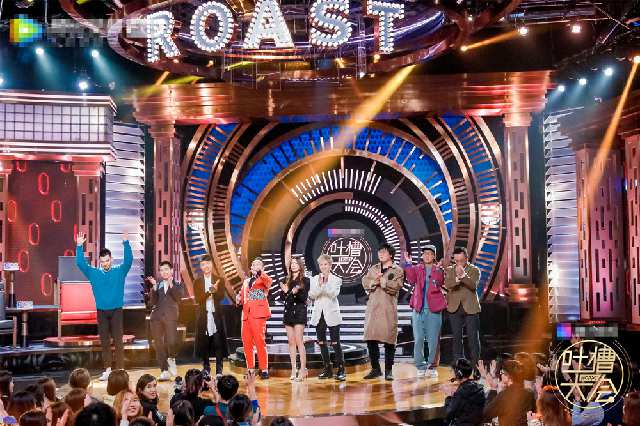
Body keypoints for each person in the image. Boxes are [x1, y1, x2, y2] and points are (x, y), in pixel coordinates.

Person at [76, 231, 133, 381]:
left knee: (118, 341)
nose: (105, 263)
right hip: (101, 311)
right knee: (105, 342)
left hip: (116, 310)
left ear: (111, 259)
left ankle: (120, 369)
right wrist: (79, 246)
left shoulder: (119, 271)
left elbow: (128, 261)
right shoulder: (93, 273)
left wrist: (126, 243)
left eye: (107, 260)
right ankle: (107, 369)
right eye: (102, 261)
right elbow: (81, 264)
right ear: (99, 261)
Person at [362, 243, 404, 381]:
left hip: (388, 309)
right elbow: (365, 282)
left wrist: (383, 282)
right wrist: (374, 281)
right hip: (373, 308)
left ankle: (388, 370)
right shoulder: (373, 268)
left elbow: (396, 286)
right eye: (379, 252)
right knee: (371, 338)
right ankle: (375, 369)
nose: (381, 254)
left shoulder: (397, 270)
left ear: (391, 255)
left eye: (384, 252)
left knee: (389, 341)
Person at [403, 245, 446, 378]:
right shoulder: (417, 268)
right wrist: (408, 264)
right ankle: (420, 366)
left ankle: (432, 366)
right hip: (418, 308)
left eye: (429, 253)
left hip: (434, 309)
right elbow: (411, 280)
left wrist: (438, 269)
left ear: (434, 256)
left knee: (433, 341)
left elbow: (439, 282)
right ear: (422, 256)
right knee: (419, 339)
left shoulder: (438, 269)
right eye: (424, 253)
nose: (427, 256)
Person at [444, 246, 481, 379]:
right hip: (454, 308)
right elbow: (447, 284)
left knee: (473, 339)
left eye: (461, 260)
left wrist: (463, 276)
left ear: (466, 258)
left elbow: (473, 285)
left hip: (470, 308)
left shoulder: (474, 270)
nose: (458, 263)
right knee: (457, 339)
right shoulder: (450, 270)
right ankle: (459, 370)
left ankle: (476, 368)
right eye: (456, 260)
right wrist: (456, 280)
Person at [193, 255, 232, 376]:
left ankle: (219, 370)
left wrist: (214, 291)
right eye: (203, 264)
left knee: (218, 343)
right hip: (203, 316)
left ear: (211, 264)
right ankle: (206, 368)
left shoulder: (219, 280)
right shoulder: (197, 282)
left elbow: (221, 297)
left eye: (208, 263)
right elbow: (198, 299)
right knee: (204, 343)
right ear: (201, 267)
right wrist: (210, 291)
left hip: (216, 316)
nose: (206, 266)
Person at [308, 254, 345, 381]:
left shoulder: (336, 279)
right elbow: (312, 295)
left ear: (330, 265)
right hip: (319, 315)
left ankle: (341, 369)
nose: (323, 267)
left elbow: (333, 294)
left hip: (332, 314)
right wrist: (319, 285)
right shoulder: (314, 279)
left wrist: (324, 284)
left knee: (335, 342)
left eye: (325, 264)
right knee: (322, 343)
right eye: (321, 265)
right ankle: (327, 369)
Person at [148, 260, 185, 381]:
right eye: (161, 270)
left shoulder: (178, 284)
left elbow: (179, 298)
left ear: (171, 270)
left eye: (166, 269)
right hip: (156, 317)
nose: (164, 272)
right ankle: (164, 370)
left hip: (171, 317)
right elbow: (152, 302)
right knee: (158, 344)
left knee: (172, 342)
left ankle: (171, 358)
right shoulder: (157, 284)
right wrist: (154, 287)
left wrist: (171, 285)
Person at [236, 258, 272, 379]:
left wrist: (260, 273)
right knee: (247, 343)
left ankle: (264, 369)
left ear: (262, 268)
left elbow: (268, 283)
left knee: (260, 341)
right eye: (253, 264)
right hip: (246, 315)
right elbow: (243, 296)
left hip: (258, 314)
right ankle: (250, 368)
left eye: (258, 265)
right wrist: (238, 299)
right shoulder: (246, 281)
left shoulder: (264, 279)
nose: (255, 266)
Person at [279, 256, 309, 381]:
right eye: (292, 263)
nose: (293, 265)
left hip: (299, 312)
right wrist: (286, 291)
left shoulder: (305, 280)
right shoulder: (286, 279)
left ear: (300, 265)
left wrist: (295, 293)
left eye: (296, 263)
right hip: (288, 312)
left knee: (298, 341)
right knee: (291, 342)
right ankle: (293, 369)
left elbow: (304, 298)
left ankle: (303, 370)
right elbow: (282, 297)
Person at [483, 359, 536, 426]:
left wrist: (493, 389)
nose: (501, 375)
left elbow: (486, 414)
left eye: (502, 373)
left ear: (508, 376)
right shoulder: (529, 394)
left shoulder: (504, 395)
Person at [443, 358, 486, 426]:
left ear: (458, 374)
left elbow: (448, 413)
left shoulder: (462, 392)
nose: (452, 373)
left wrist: (448, 397)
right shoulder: (479, 388)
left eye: (453, 371)